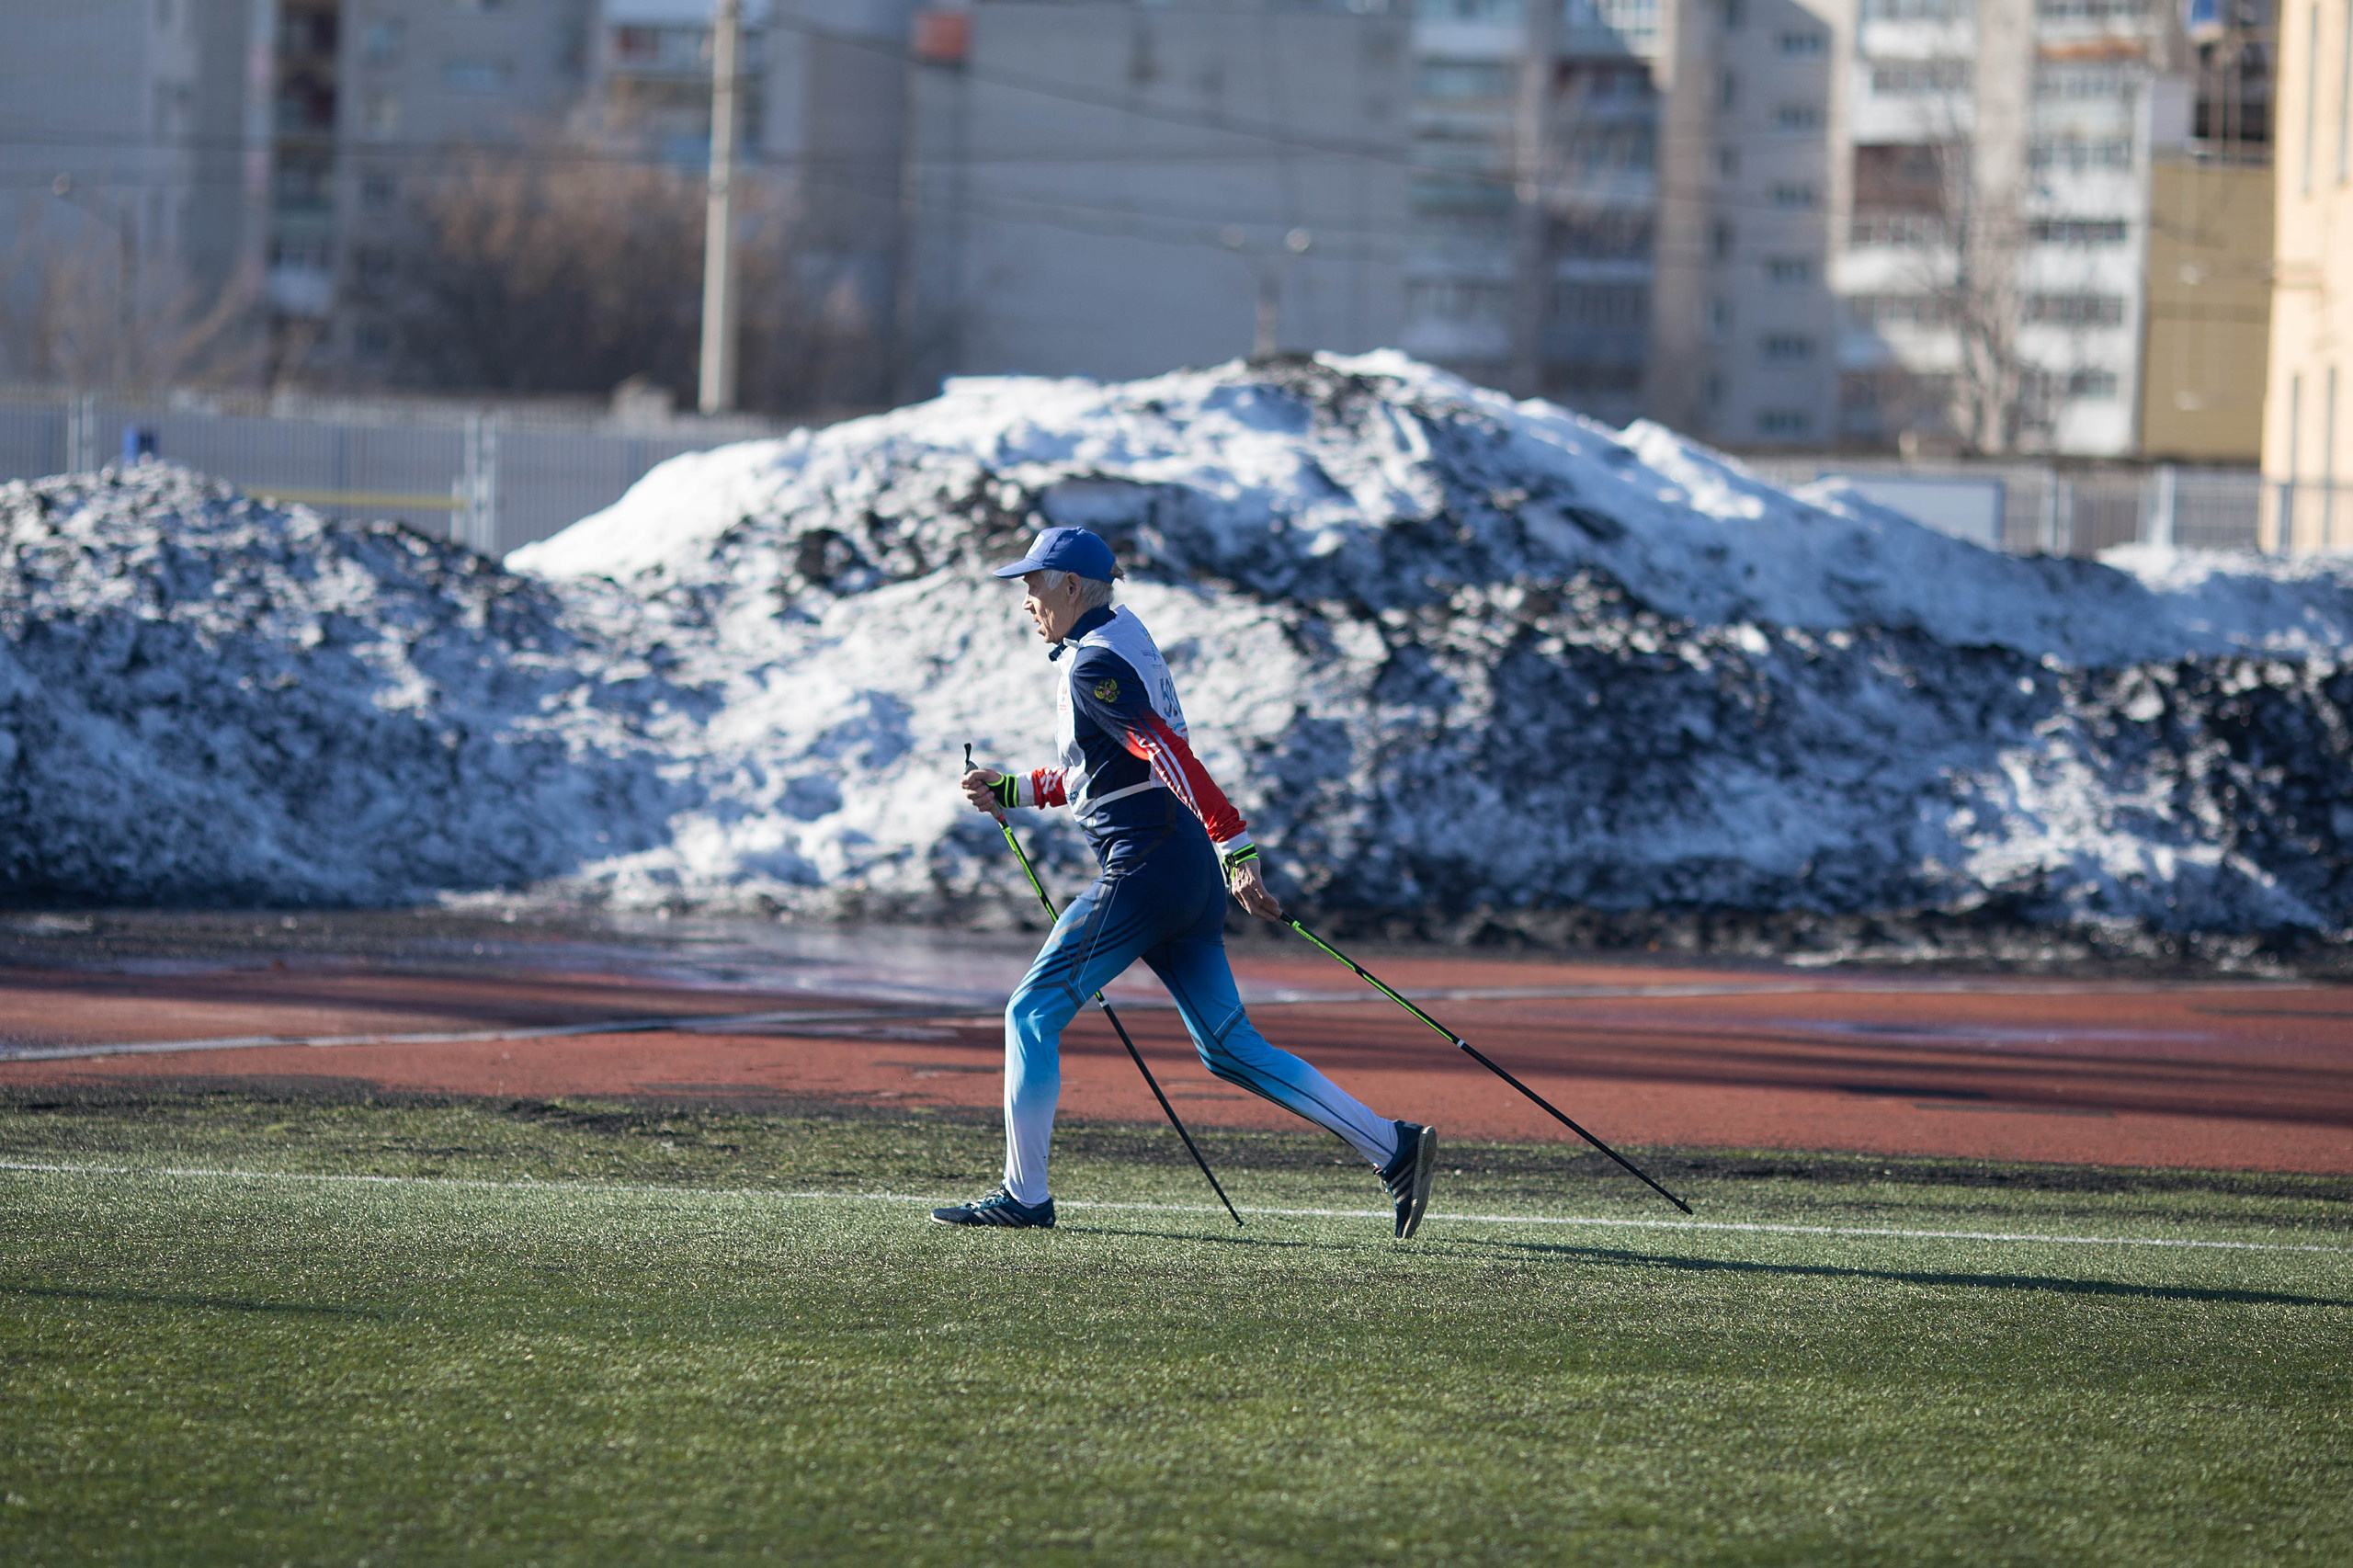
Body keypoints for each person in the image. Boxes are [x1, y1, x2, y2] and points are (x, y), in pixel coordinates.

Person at [935, 525, 1438, 1237]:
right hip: (1182, 870)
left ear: (1070, 587)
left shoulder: (1092, 666)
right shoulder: (1117, 638)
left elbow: (1163, 752)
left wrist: (1235, 842)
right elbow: (1106, 774)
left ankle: (1025, 1197)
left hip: (1150, 867)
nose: (1025, 599)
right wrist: (1014, 789)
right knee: (1229, 1047)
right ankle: (1393, 1146)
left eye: (1033, 583)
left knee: (1030, 1012)